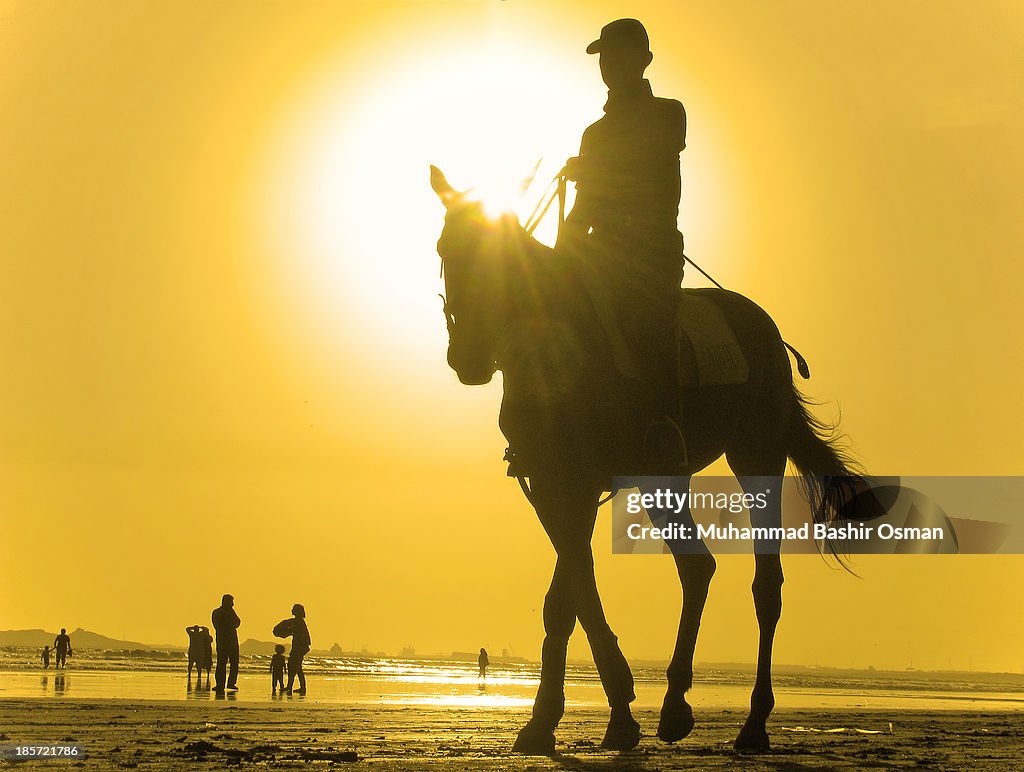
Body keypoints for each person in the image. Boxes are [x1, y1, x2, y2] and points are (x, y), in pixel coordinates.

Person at [559, 18, 687, 465]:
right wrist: (560, 252)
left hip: (652, 255)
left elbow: (650, 156)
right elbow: (585, 207)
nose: (609, 65)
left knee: (648, 322)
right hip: (603, 257)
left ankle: (663, 426)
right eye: (604, 58)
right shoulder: (593, 135)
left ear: (644, 61)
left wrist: (594, 168)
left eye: (618, 56)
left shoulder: (669, 113)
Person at [211, 594, 240, 693]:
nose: (232, 604)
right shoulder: (218, 612)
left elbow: (237, 623)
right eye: (231, 602)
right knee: (223, 663)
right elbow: (219, 625)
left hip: (229, 641)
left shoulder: (229, 612)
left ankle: (228, 683)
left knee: (229, 663)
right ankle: (221, 684)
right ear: (226, 602)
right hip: (225, 641)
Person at [283, 604, 310, 695]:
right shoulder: (299, 621)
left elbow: (292, 630)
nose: (291, 610)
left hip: (299, 648)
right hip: (298, 647)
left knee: (292, 666)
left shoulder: (298, 621)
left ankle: (290, 686)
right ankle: (301, 687)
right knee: (297, 667)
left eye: (293, 609)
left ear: (297, 611)